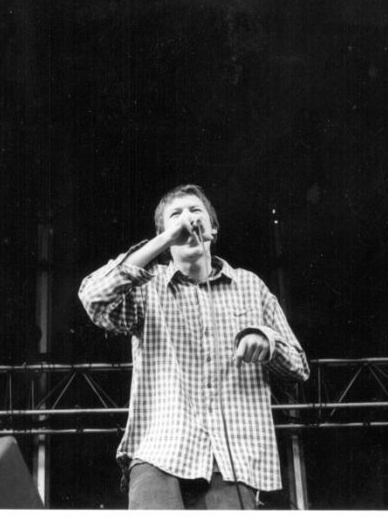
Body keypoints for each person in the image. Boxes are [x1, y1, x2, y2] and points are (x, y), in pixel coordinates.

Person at [78, 184, 310, 509]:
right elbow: (93, 297)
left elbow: (299, 366)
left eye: (195, 211)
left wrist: (267, 341)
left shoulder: (250, 286)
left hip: (234, 459)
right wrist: (164, 240)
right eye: (176, 215)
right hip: (160, 451)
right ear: (164, 235)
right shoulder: (149, 287)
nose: (187, 218)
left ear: (212, 228)